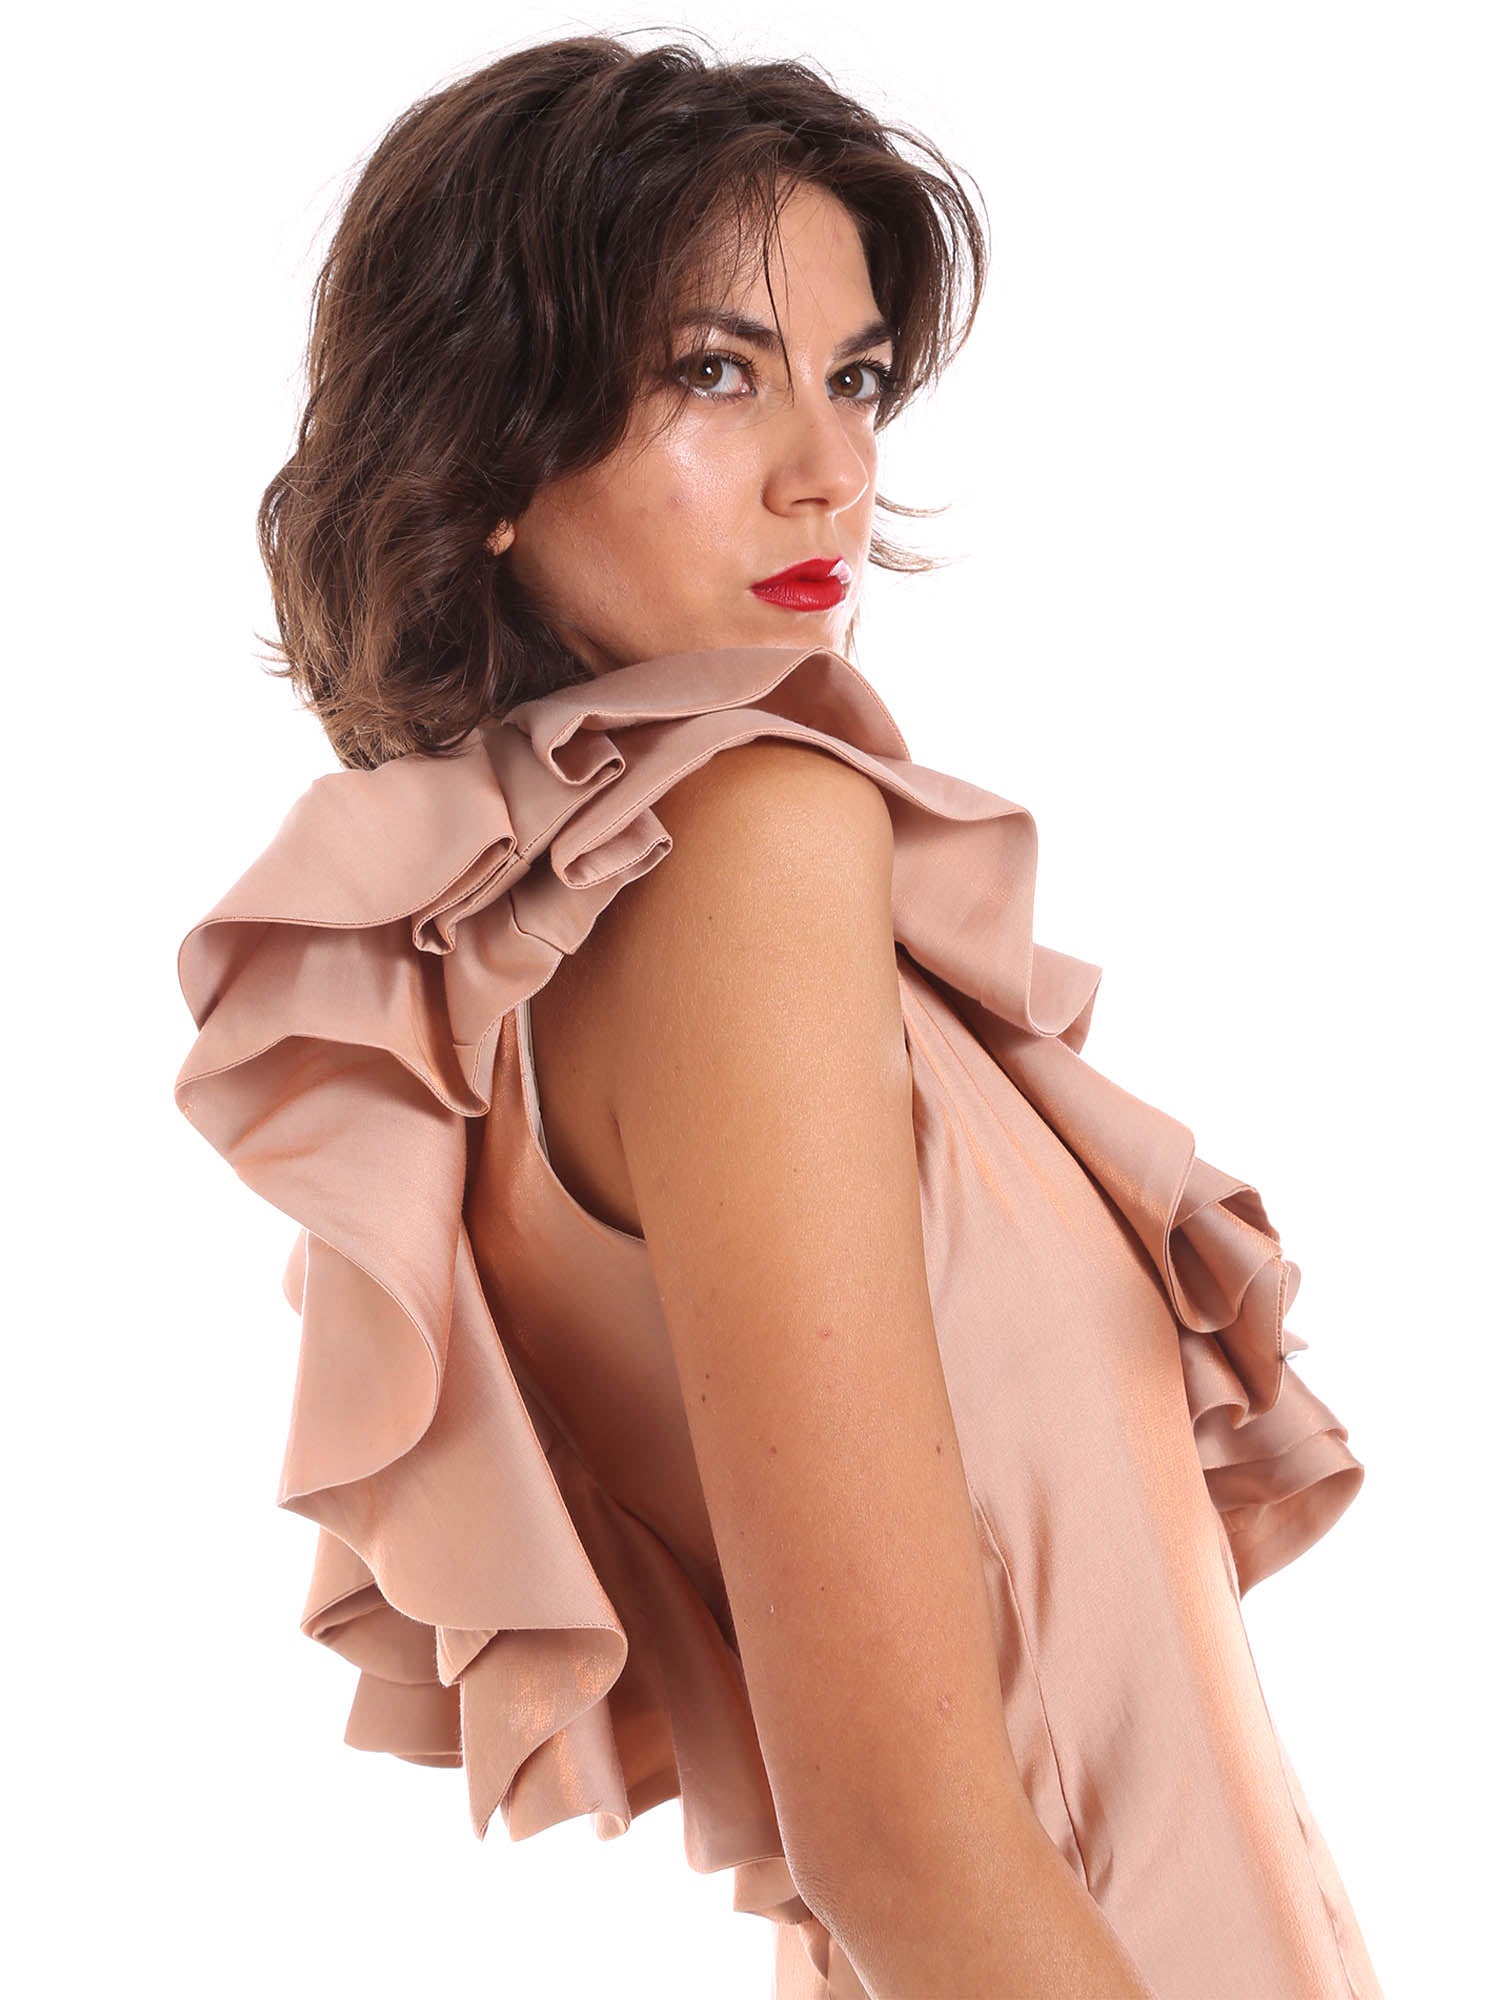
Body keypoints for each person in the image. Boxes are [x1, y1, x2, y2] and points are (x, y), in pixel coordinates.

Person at [173, 31, 1385, 2000]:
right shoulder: (747, 850)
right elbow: (897, 1837)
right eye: (716, 372)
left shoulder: (526, 962)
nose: (829, 467)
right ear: (490, 450)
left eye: (857, 376)